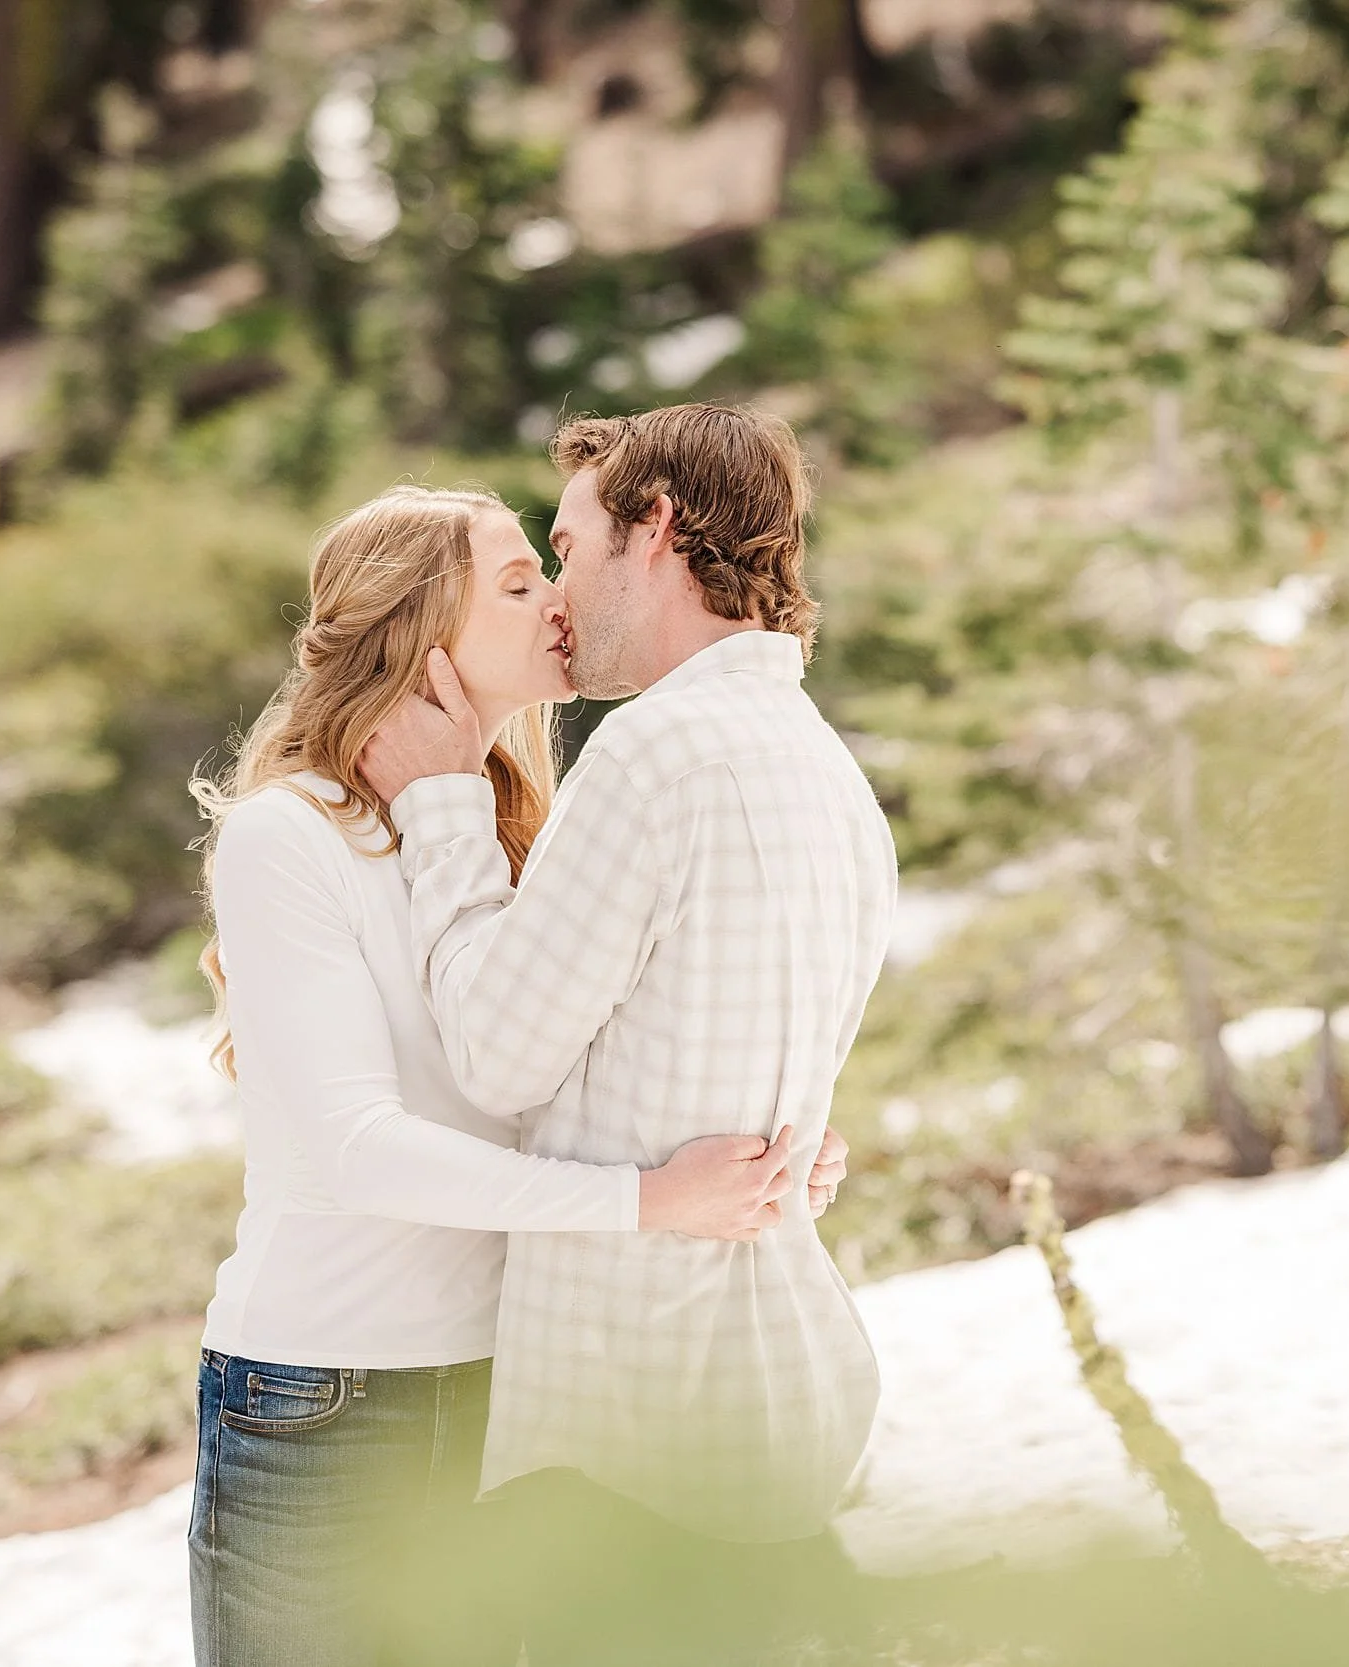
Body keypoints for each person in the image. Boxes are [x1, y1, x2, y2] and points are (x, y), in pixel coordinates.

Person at [188, 482, 850, 1667]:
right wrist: (651, 1199)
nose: (559, 598)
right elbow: (362, 1149)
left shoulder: (515, 831)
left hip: (512, 1388)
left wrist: (762, 1151)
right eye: (515, 581)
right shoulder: (289, 836)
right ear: (415, 633)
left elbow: (575, 1076)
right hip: (324, 1399)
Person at [358, 405, 896, 1660]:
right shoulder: (827, 771)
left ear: (653, 529)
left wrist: (443, 804)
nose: (555, 587)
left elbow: (495, 1051)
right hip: (765, 1410)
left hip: (629, 1427)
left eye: (569, 542)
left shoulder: (655, 752)